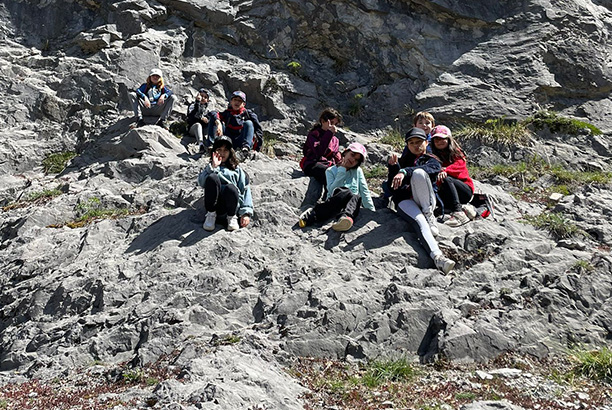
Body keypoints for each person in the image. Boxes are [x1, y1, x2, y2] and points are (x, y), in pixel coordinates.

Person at [387, 127, 455, 274]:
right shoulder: (402, 161)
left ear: (426, 142)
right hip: (405, 200)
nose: (416, 146)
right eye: (411, 143)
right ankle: (438, 258)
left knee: (418, 173)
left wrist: (403, 171)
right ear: (407, 145)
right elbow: (393, 189)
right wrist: (393, 168)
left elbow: (427, 170)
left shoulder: (433, 160)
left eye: (419, 142)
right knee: (420, 222)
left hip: (426, 199)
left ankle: (428, 213)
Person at [299, 142, 375, 232]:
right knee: (346, 192)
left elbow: (364, 190)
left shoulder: (358, 171)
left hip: (351, 205)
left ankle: (345, 219)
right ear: (345, 152)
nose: (353, 160)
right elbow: (331, 191)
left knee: (356, 196)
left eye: (357, 160)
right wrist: (342, 171)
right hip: (335, 202)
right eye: (352, 155)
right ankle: (313, 214)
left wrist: (371, 211)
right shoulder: (330, 171)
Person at [197, 136, 253, 231]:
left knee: (231, 188)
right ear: (214, 151)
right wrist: (213, 167)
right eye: (219, 149)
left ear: (230, 152)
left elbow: (245, 190)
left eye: (225, 150)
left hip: (231, 207)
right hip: (214, 208)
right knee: (212, 178)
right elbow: (202, 183)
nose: (222, 153)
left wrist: (246, 213)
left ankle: (231, 218)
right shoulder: (210, 168)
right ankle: (211, 216)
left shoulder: (237, 170)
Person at [430, 125, 474, 227]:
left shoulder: (456, 153)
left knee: (447, 179)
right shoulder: (433, 155)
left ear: (449, 139)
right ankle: (460, 208)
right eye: (436, 139)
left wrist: (446, 170)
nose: (439, 142)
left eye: (442, 139)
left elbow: (460, 166)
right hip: (448, 194)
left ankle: (459, 212)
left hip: (464, 191)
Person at [300, 108, 343, 194]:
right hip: (313, 163)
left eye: (335, 124)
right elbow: (319, 152)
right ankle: (329, 197)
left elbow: (334, 156)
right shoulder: (314, 134)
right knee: (328, 172)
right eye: (331, 123)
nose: (333, 126)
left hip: (328, 164)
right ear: (323, 121)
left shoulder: (335, 140)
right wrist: (329, 133)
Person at [212, 91, 263, 161]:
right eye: (235, 100)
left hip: (241, 141)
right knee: (215, 119)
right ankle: (213, 147)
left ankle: (245, 150)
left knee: (248, 123)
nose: (237, 102)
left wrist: (257, 149)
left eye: (239, 101)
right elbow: (213, 114)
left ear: (244, 104)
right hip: (228, 140)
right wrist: (218, 123)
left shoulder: (249, 114)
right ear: (231, 102)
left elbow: (258, 131)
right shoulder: (227, 113)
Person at [187, 88, 216, 152]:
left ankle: (213, 143)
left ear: (208, 100)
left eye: (205, 97)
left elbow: (212, 116)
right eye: (201, 96)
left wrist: (208, 120)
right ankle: (201, 145)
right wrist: (197, 102)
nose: (203, 98)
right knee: (198, 125)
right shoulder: (193, 105)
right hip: (193, 128)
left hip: (204, 129)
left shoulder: (208, 108)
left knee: (215, 122)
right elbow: (192, 116)